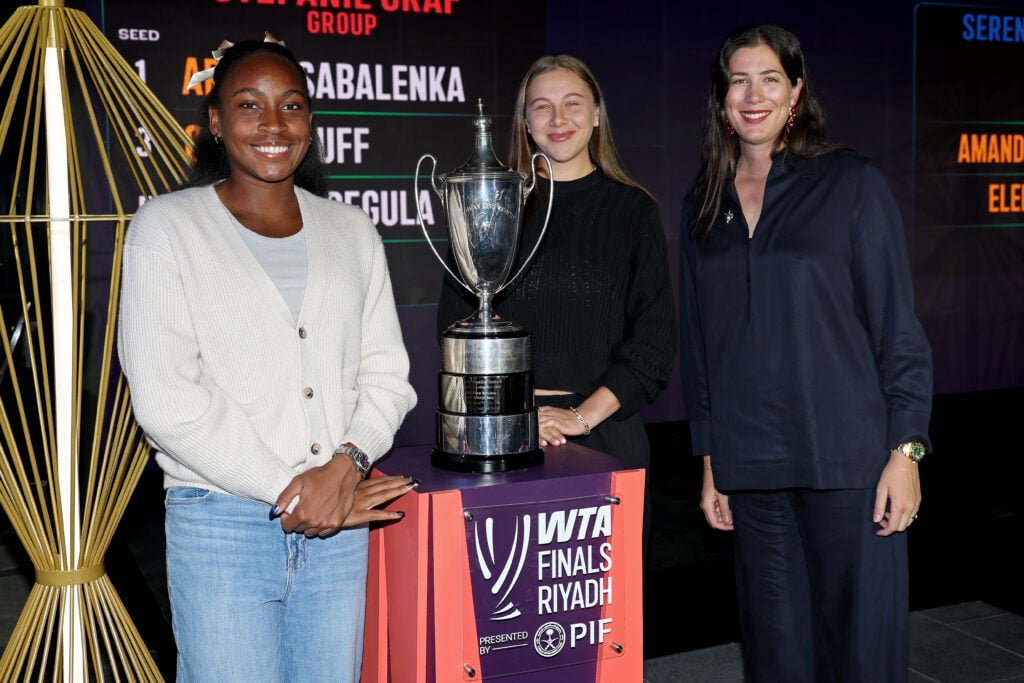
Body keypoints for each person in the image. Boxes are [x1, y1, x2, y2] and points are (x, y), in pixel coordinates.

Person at [117, 37, 417, 682]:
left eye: (292, 105)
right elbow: (169, 401)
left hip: (338, 525)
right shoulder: (166, 228)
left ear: (310, 122)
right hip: (221, 522)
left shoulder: (351, 230)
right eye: (249, 104)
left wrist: (346, 465)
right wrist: (294, 491)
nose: (274, 124)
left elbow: (387, 379)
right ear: (216, 124)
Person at [678, 23, 933, 682]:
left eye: (770, 79)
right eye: (738, 80)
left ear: (796, 92)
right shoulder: (704, 204)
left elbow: (896, 329)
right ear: (722, 98)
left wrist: (906, 450)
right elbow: (703, 344)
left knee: (860, 653)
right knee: (776, 655)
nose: (753, 94)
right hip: (753, 469)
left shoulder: (850, 182)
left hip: (847, 462)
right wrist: (712, 459)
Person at [437, 54, 676, 548]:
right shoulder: (489, 207)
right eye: (541, 107)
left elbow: (652, 347)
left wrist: (579, 417)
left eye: (572, 104)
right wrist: (519, 419)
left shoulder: (632, 211)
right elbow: (457, 332)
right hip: (503, 444)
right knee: (507, 618)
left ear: (596, 114)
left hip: (607, 444)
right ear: (525, 122)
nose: (558, 119)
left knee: (606, 616)